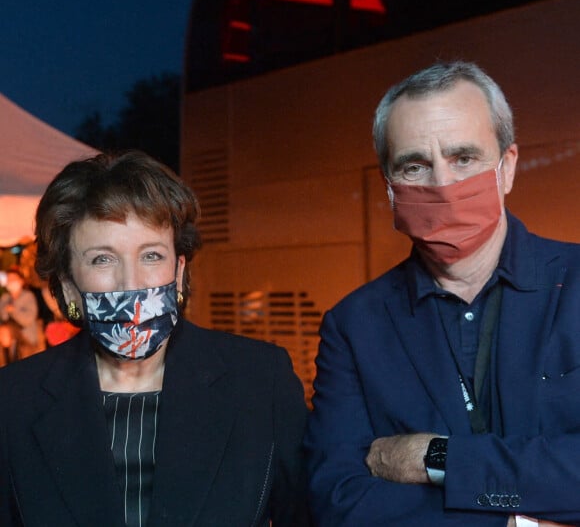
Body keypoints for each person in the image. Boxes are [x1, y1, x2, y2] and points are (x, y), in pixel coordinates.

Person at [304, 61, 580, 526]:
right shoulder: (354, 326)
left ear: (507, 167)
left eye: (464, 159)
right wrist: (516, 522)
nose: (443, 186)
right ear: (389, 188)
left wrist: (437, 458)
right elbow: (340, 501)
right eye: (415, 166)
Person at [0, 150, 309, 526]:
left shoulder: (260, 381)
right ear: (67, 287)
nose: (132, 285)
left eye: (150, 256)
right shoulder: (13, 400)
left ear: (178, 273)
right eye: (102, 259)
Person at [0, 265, 43, 362]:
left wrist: (13, 311)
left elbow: (28, 319)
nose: (11, 282)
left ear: (21, 281)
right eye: (9, 279)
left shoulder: (28, 296)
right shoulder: (5, 298)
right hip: (8, 339)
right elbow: (2, 316)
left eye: (13, 279)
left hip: (26, 339)